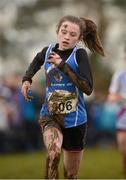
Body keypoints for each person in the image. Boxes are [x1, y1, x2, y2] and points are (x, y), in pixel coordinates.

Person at [21, 15, 105, 179]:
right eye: (64, 31)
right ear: (57, 31)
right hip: (50, 115)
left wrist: (62, 65)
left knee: (71, 174)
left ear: (79, 38)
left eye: (72, 34)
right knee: (53, 153)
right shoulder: (47, 51)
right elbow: (36, 61)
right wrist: (27, 79)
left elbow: (87, 88)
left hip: (76, 120)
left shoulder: (79, 55)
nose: (67, 37)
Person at [108, 47, 126, 176]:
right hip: (123, 114)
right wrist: (121, 97)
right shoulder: (120, 75)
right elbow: (111, 96)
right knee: (122, 143)